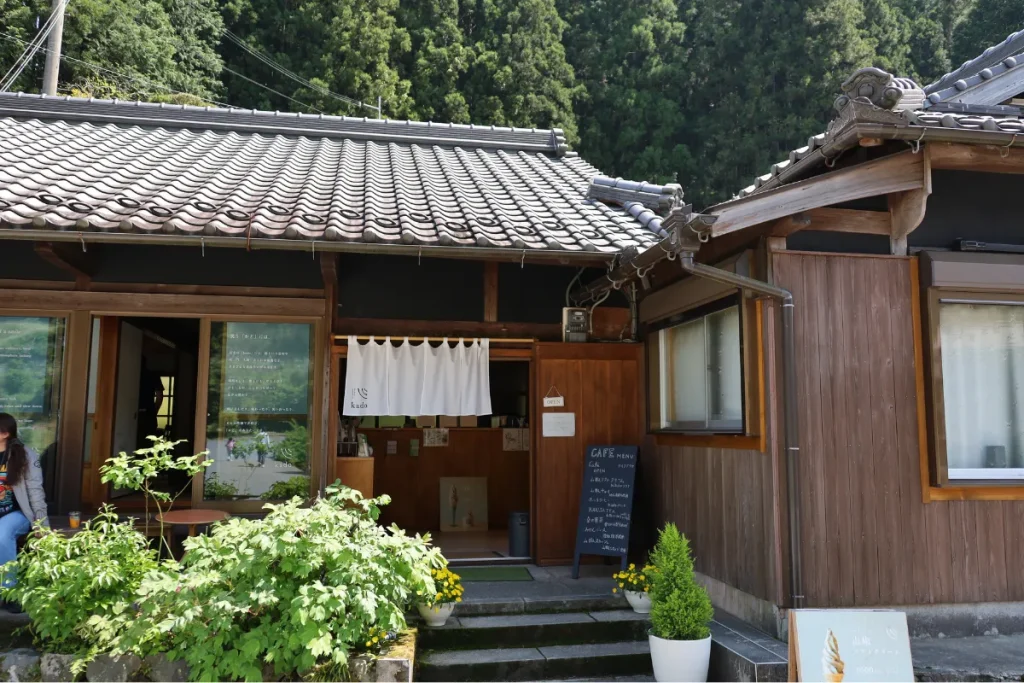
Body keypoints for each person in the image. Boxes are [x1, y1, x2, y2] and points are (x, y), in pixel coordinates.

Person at [0, 413, 49, 611]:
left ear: (4, 433)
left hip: (16, 513)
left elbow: (35, 491)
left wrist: (41, 523)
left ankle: (9, 591)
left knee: (2, 534)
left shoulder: (25, 455)